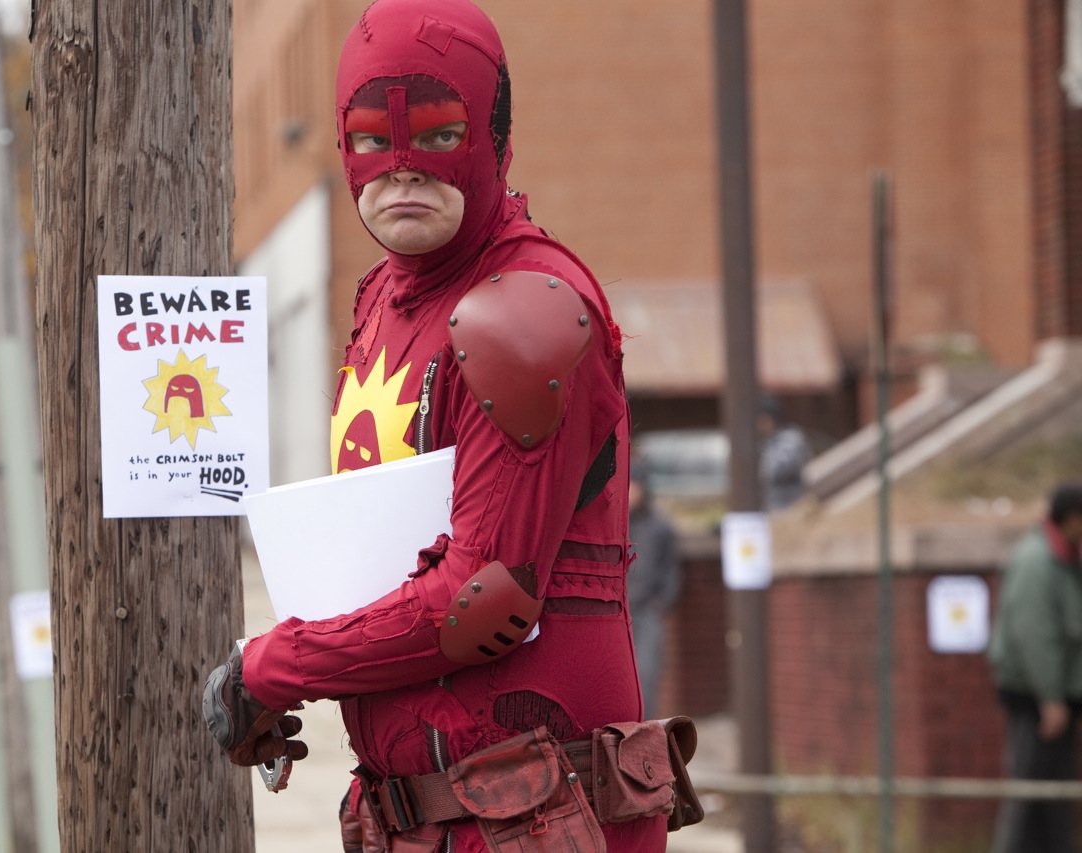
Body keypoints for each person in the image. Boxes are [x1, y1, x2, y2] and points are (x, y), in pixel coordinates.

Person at [202, 1, 683, 849]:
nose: (400, 170)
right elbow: (380, 548)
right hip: (423, 815)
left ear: (492, 134)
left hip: (534, 817)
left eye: (434, 134)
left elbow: (482, 602)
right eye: (368, 140)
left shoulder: (525, 312)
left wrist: (279, 664)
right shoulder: (382, 298)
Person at [988, 484, 1082, 853]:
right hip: (1036, 699)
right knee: (1027, 793)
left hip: (1054, 696)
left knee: (1055, 798)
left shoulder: (1063, 559)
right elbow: (1036, 636)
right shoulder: (1037, 561)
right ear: (1071, 519)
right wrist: (1051, 699)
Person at [627, 466, 682, 718]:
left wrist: (661, 603)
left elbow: (672, 569)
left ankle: (644, 728)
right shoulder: (614, 525)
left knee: (647, 673)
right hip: (619, 612)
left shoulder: (660, 528)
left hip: (647, 611)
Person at [757, 394, 811, 511]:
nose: (759, 425)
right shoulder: (768, 440)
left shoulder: (791, 438)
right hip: (773, 504)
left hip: (791, 502)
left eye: (762, 419)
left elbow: (779, 470)